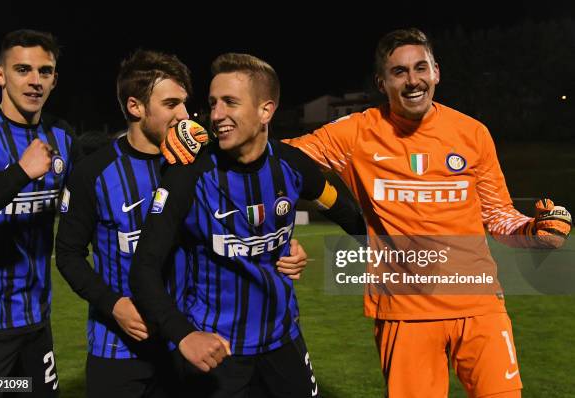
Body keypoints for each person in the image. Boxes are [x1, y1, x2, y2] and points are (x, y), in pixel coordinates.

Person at [283, 28, 572, 398]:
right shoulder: (356, 134)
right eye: (399, 72)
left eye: (421, 68)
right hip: (405, 313)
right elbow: (277, 160)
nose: (413, 80)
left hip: (480, 305)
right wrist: (205, 144)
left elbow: (499, 215)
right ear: (382, 82)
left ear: (436, 72)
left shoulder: (472, 133)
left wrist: (533, 231)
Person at [55, 49, 308, 398]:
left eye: (185, 104)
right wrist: (113, 304)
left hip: (189, 342)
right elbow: (68, 254)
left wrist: (286, 246)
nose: (184, 115)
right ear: (135, 107)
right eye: (171, 104)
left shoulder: (201, 164)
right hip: (117, 348)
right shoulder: (93, 173)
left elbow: (238, 225)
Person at [129, 53, 366, 397]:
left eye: (230, 102)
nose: (217, 115)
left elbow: (346, 213)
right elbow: (144, 268)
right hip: (217, 349)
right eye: (213, 103)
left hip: (283, 341)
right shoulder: (188, 175)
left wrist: (397, 256)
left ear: (265, 110)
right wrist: (183, 335)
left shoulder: (293, 165)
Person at [0, 29, 77, 396]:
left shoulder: (63, 135)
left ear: (54, 80)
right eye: (23, 70)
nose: (34, 81)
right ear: (1, 75)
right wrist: (19, 173)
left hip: (36, 322)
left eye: (45, 72)